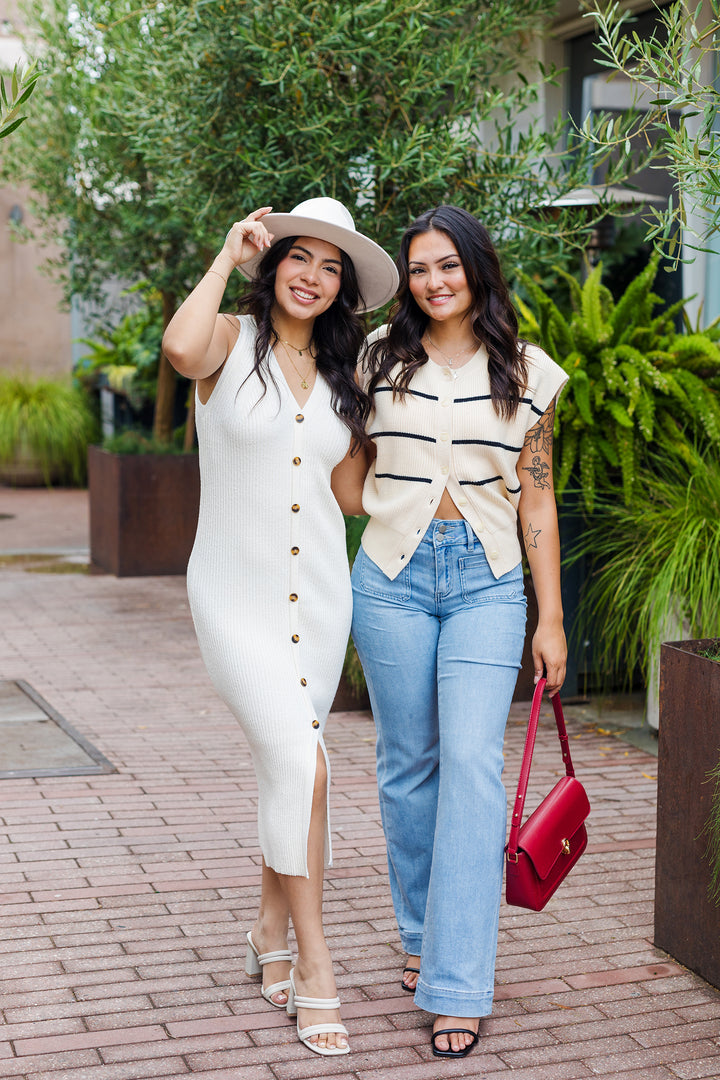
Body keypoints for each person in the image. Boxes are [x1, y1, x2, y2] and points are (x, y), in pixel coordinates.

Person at [162, 197, 398, 1057]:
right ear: (273, 264)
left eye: (332, 268)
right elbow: (178, 349)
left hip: (319, 602)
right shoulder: (229, 339)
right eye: (300, 257)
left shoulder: (344, 377)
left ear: (343, 290)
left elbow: (350, 497)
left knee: (290, 769)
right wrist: (224, 255)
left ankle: (268, 928)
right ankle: (315, 961)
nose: (313, 277)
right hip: (233, 597)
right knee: (306, 765)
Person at [349, 205, 568, 1059]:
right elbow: (344, 470)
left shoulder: (530, 372)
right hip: (391, 578)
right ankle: (419, 933)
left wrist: (552, 619)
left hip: (488, 582)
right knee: (408, 765)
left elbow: (537, 497)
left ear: (476, 268)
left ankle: (458, 983)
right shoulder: (375, 360)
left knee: (472, 766)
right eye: (419, 269)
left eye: (448, 265)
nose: (433, 281)